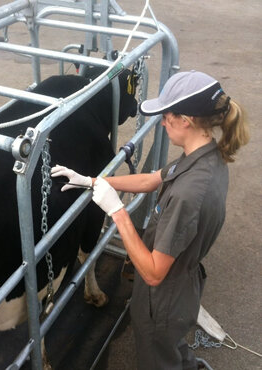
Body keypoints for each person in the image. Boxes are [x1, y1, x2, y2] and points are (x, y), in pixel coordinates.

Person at [51, 70, 249, 369]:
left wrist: (117, 211)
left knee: (159, 356)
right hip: (181, 285)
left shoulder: (189, 193)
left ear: (187, 120)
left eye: (167, 114)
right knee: (171, 348)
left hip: (163, 297)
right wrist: (92, 181)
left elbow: (154, 273)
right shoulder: (207, 156)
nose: (163, 120)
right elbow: (152, 180)